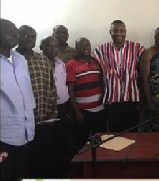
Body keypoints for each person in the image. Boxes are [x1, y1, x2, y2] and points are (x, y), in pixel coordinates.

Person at [16, 25, 59, 178]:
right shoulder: (11, 61)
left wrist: (53, 111)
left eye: (32, 36)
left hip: (43, 119)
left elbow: (51, 88)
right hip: (20, 123)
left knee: (43, 158)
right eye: (25, 36)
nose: (29, 39)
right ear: (17, 37)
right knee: (23, 161)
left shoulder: (43, 60)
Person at [92, 20, 145, 132]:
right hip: (112, 100)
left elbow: (143, 72)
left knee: (132, 134)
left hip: (131, 99)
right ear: (110, 32)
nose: (118, 33)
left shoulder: (137, 48)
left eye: (121, 30)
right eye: (115, 30)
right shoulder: (100, 50)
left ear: (125, 32)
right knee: (114, 135)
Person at [0, 18, 36, 180]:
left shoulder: (20, 59)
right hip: (3, 134)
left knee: (20, 173)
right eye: (10, 30)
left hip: (25, 129)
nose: (15, 33)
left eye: (16, 30)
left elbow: (26, 90)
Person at [40, 35, 75, 177]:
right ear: (42, 48)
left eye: (55, 46)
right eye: (49, 46)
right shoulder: (39, 63)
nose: (53, 49)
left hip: (63, 107)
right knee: (48, 143)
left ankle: (63, 171)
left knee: (63, 141)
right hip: (46, 109)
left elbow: (65, 85)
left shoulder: (61, 64)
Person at [67, 37, 106, 150]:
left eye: (87, 45)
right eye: (81, 45)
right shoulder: (71, 65)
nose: (85, 48)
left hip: (100, 109)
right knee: (81, 141)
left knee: (101, 141)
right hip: (83, 112)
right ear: (76, 48)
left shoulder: (97, 62)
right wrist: (76, 112)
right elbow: (70, 90)